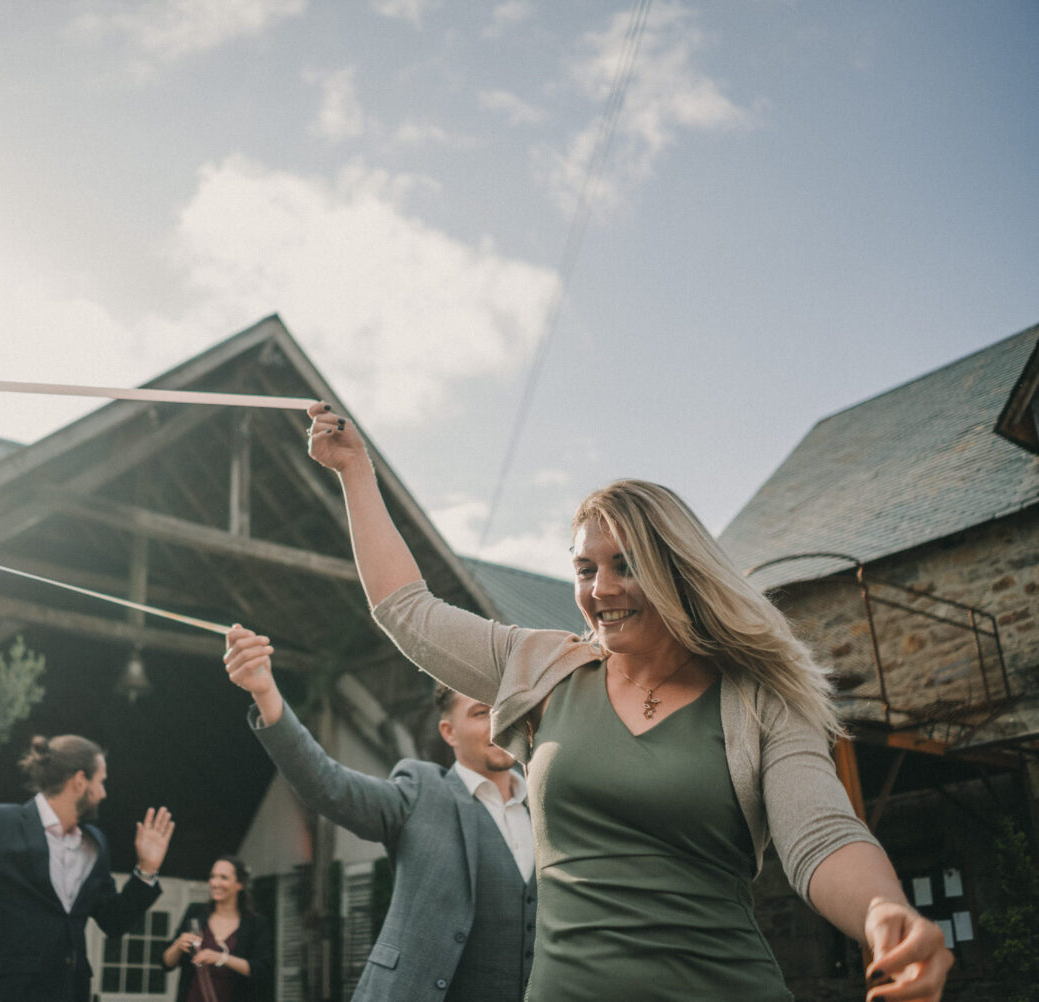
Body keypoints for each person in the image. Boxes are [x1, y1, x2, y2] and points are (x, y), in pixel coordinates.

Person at [299, 402, 954, 1002]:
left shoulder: (760, 699)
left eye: (626, 565)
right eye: (585, 569)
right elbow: (407, 610)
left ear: (678, 569)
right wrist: (356, 471)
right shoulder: (542, 669)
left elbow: (821, 835)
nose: (601, 589)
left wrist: (882, 912)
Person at [222, 633, 538, 1002]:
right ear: (448, 732)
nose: (498, 723)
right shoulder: (421, 792)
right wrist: (266, 694)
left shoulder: (547, 810)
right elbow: (328, 785)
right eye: (481, 713)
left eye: (504, 709)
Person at [0, 734, 175, 1002]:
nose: (103, 793)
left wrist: (147, 869)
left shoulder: (95, 845)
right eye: (101, 782)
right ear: (80, 780)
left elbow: (114, 921)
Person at [160, 855, 272, 1002]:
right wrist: (178, 945)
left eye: (223, 878)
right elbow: (166, 964)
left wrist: (221, 958)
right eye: (213, 877)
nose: (215, 883)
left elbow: (262, 971)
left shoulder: (255, 924)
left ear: (240, 884)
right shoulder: (195, 912)